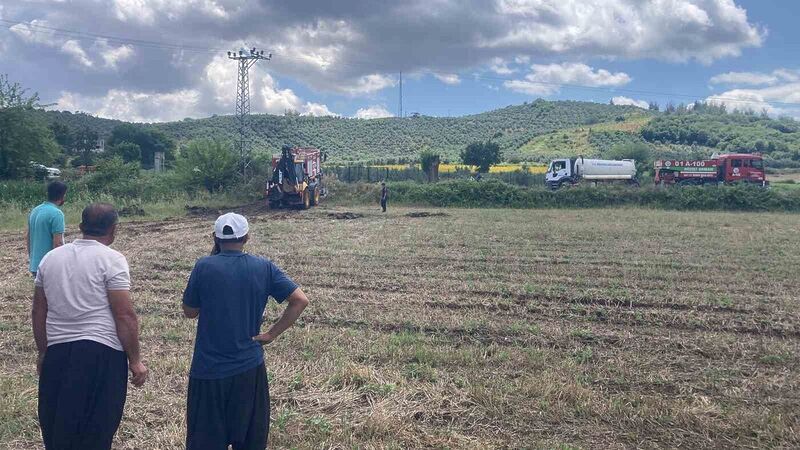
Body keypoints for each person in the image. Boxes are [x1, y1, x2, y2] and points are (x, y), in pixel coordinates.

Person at [182, 212, 309, 450]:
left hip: (208, 370)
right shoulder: (264, 267)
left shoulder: (204, 266)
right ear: (247, 237)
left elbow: (190, 312)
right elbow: (300, 300)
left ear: (215, 238)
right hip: (249, 369)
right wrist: (271, 334)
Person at [32, 202, 148, 450]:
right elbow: (125, 315)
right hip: (101, 356)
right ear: (114, 230)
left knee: (57, 429)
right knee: (96, 430)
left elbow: (38, 311)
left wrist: (43, 352)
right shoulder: (112, 260)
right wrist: (135, 360)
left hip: (58, 353)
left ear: (81, 226)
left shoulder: (50, 259)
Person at [27, 181, 67, 276]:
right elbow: (58, 243)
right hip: (49, 267)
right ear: (63, 196)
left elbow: (28, 237)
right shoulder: (57, 214)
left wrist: (32, 259)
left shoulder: (35, 211)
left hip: (35, 265)